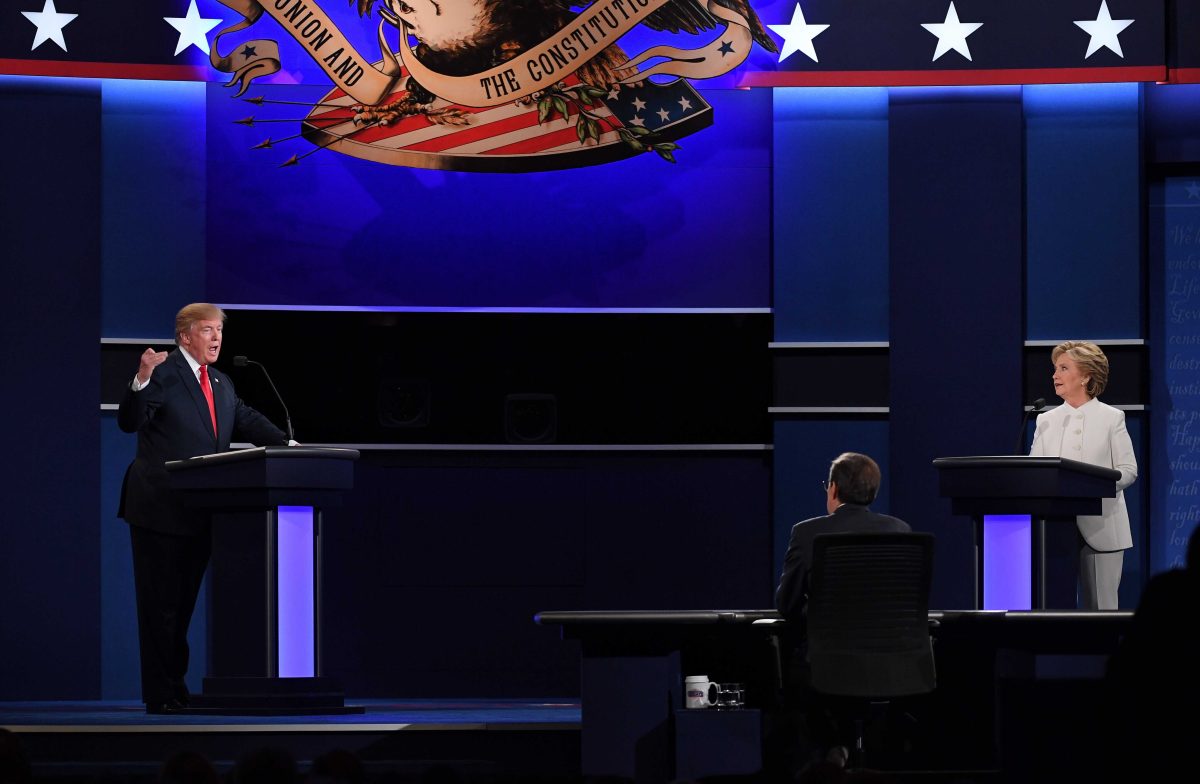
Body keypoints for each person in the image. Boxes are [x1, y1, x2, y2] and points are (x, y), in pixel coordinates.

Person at [118, 303, 289, 714]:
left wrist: (290, 445)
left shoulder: (221, 381)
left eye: (219, 331)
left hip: (202, 510)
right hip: (158, 507)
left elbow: (245, 418)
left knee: (182, 608)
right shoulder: (162, 374)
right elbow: (129, 420)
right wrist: (140, 379)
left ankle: (176, 687)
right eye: (208, 330)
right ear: (185, 336)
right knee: (160, 607)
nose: (216, 338)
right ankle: (160, 694)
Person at [1029, 340, 1137, 610]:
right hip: (1054, 527)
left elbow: (1128, 471)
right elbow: (1032, 472)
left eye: (1064, 368)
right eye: (1055, 368)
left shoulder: (1112, 418)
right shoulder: (1046, 420)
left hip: (1102, 526)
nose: (1055, 375)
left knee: (1102, 611)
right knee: (1052, 608)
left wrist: (1094, 486)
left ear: (1086, 376)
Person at [775, 452, 911, 622]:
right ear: (873, 493)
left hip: (827, 646)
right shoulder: (900, 530)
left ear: (833, 488)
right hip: (893, 646)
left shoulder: (806, 532)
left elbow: (787, 605)